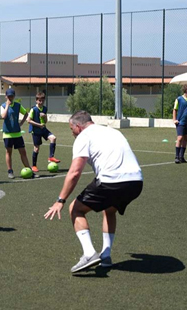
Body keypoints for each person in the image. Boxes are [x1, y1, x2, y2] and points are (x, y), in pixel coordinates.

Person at [44, 110, 143, 273]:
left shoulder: (83, 137)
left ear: (78, 126)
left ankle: (89, 253)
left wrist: (60, 200)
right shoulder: (112, 131)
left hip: (112, 180)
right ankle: (106, 255)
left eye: (71, 129)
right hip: (136, 182)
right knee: (109, 209)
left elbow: (75, 172)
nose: (72, 133)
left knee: (75, 209)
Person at [0, 88, 37, 179]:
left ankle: (29, 170)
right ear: (6, 96)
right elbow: (3, 116)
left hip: (17, 134)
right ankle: (10, 171)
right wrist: (8, 106)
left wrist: (21, 123)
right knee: (9, 152)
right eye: (9, 96)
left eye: (12, 96)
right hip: (7, 134)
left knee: (23, 152)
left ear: (14, 96)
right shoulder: (3, 106)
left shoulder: (18, 105)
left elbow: (26, 114)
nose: (10, 98)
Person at [26, 92, 61, 172]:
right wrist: (38, 125)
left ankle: (51, 157)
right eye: (39, 100)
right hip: (36, 130)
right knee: (36, 148)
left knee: (53, 138)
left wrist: (45, 117)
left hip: (43, 128)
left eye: (42, 100)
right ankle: (34, 166)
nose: (40, 102)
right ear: (36, 101)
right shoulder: (33, 109)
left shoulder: (45, 109)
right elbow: (28, 120)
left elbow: (45, 121)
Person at [173, 84, 187, 164]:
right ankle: (176, 157)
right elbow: (175, 109)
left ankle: (181, 157)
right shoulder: (179, 99)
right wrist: (174, 120)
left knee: (185, 138)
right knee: (180, 138)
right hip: (181, 122)